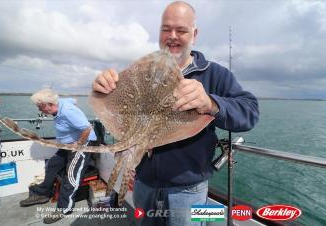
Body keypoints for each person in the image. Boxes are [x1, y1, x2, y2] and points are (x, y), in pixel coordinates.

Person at [92, 1, 259, 225]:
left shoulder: (214, 74)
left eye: (181, 30)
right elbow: (115, 103)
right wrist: (103, 87)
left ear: (194, 34)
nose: (172, 36)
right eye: (166, 29)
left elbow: (250, 111)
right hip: (144, 184)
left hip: (189, 191)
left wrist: (211, 103)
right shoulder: (142, 71)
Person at [19, 88, 98, 224]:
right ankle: (41, 194)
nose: (39, 109)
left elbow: (87, 128)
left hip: (82, 144)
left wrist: (78, 144)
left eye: (40, 106)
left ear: (49, 104)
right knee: (53, 164)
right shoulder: (59, 103)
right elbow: (74, 99)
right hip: (67, 144)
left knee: (71, 175)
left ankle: (64, 208)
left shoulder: (68, 111)